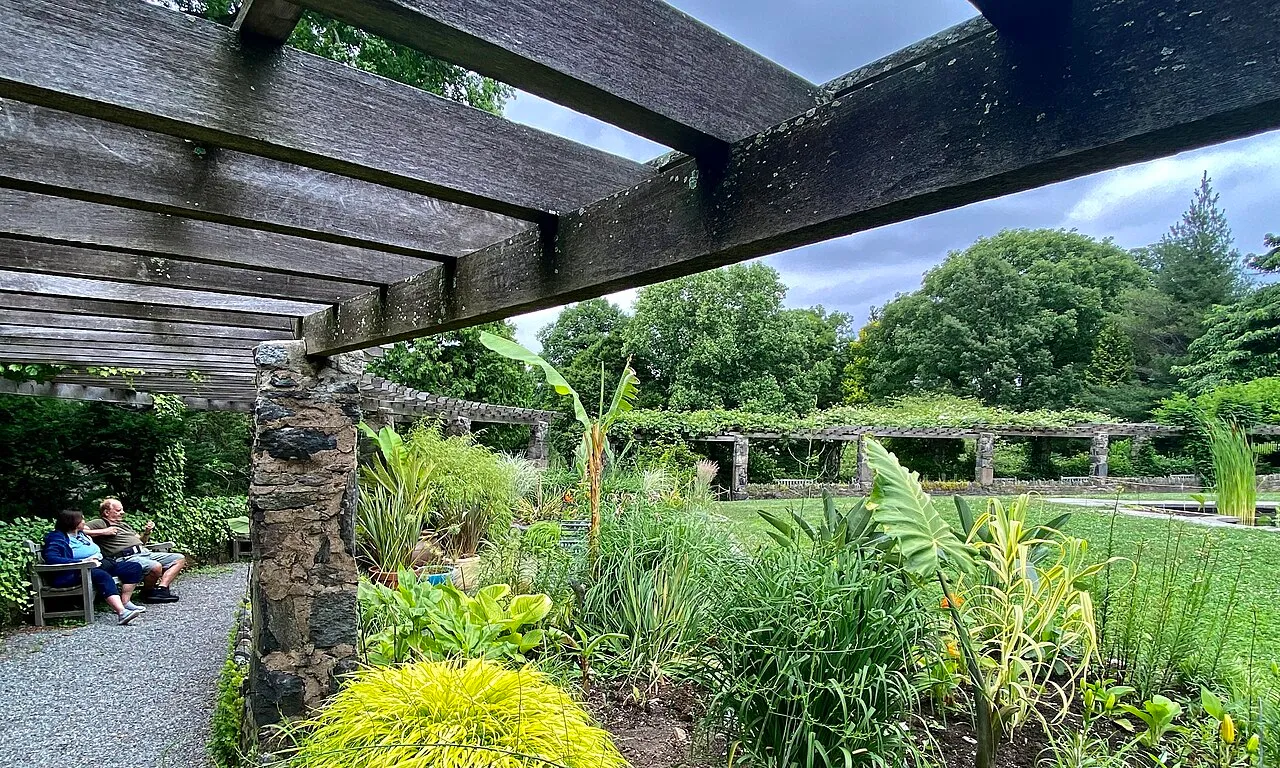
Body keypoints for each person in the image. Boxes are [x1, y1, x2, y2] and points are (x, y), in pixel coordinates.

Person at [42, 509, 146, 625]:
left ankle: (125, 602)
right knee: (102, 576)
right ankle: (122, 612)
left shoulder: (80, 534)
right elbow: (52, 558)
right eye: (82, 519)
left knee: (133, 567)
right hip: (73, 572)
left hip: (98, 564)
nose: (84, 522)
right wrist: (82, 561)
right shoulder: (57, 537)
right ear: (72, 522)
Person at [84, 497, 185, 604]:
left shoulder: (124, 525)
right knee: (155, 566)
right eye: (118, 510)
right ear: (107, 512)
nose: (122, 513)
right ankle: (147, 592)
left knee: (179, 559)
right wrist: (104, 532)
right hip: (125, 557)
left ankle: (162, 590)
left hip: (144, 552)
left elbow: (141, 541)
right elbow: (80, 530)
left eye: (122, 510)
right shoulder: (99, 522)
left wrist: (146, 532)